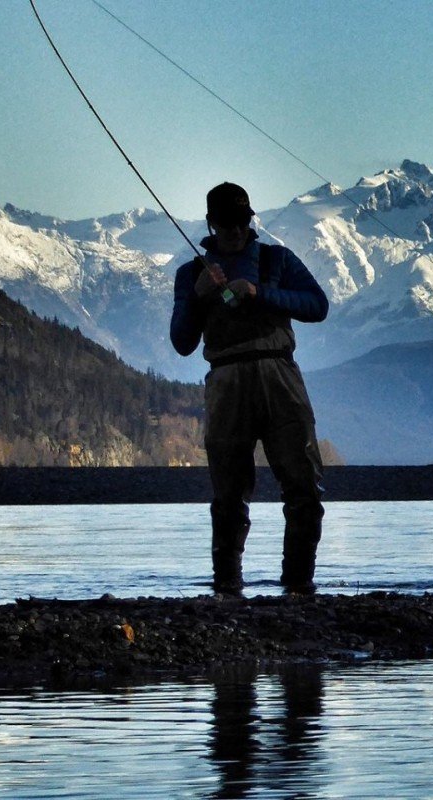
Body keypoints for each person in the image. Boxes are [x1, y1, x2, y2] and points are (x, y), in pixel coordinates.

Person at [170, 182, 330, 597]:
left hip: (280, 375)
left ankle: (298, 583)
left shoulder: (278, 259)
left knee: (304, 488)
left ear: (250, 220)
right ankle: (227, 585)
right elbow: (182, 342)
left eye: (242, 221)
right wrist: (198, 297)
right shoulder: (191, 275)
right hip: (226, 380)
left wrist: (259, 293)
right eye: (228, 223)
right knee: (227, 494)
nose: (236, 230)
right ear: (211, 224)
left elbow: (318, 306)